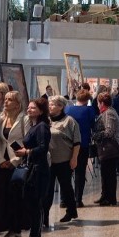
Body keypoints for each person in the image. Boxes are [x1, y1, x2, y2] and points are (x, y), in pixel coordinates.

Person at [0, 91, 28, 237]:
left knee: (16, 199)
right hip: (2, 163)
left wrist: (14, 161)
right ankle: (9, 230)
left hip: (17, 163)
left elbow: (27, 142)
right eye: (5, 99)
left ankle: (16, 232)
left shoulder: (24, 119)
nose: (6, 102)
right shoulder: (1, 118)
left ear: (18, 103)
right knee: (2, 198)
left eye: (10, 100)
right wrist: (0, 160)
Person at [15, 98, 51, 237]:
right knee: (32, 205)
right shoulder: (35, 126)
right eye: (28, 108)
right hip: (33, 168)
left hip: (38, 171)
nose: (29, 110)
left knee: (35, 206)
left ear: (41, 111)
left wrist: (27, 152)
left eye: (33, 108)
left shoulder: (42, 127)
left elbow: (43, 148)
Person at [44, 95, 80, 225]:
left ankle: (71, 211)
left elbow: (77, 142)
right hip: (49, 161)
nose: (50, 106)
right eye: (49, 104)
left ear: (61, 107)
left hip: (64, 160)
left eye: (52, 104)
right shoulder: (46, 121)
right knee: (48, 190)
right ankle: (44, 215)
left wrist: (74, 158)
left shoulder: (69, 121)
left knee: (66, 187)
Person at [65, 89, 97, 209]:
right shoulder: (89, 110)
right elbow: (93, 125)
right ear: (87, 99)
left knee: (66, 173)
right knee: (80, 172)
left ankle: (64, 199)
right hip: (83, 144)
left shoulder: (68, 109)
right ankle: (78, 200)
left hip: (67, 144)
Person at [93, 93, 119, 207]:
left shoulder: (109, 113)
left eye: (98, 103)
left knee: (109, 174)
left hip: (110, 148)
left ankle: (110, 198)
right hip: (106, 148)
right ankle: (105, 196)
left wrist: (96, 135)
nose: (97, 105)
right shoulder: (106, 112)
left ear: (102, 103)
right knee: (105, 173)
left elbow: (109, 131)